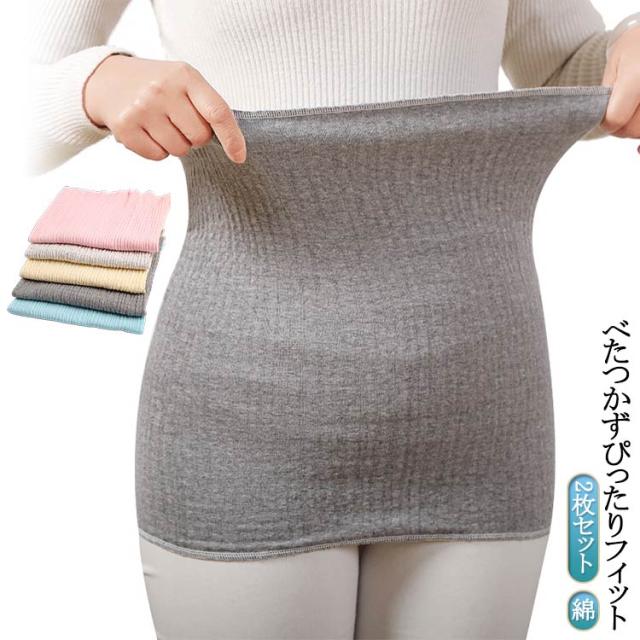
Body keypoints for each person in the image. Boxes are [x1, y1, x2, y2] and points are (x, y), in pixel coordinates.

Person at [29, 2, 640, 639]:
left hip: (484, 406)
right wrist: (95, 83)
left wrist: (628, 44)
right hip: (244, 417)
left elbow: (569, 68)